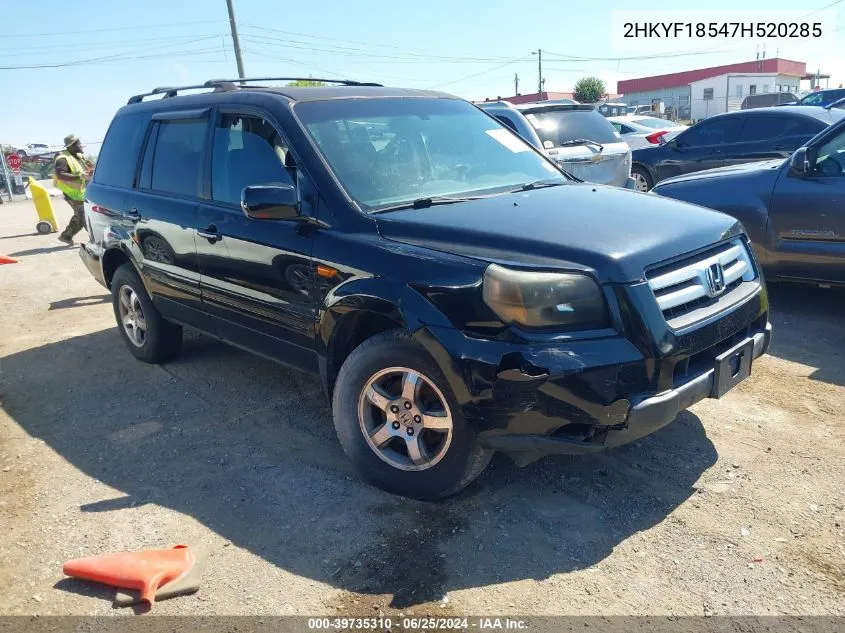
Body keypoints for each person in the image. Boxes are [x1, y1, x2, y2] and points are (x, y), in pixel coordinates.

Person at [54, 134, 93, 245]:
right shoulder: (63, 158)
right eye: (78, 143)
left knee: (80, 216)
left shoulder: (79, 156)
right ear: (71, 145)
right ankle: (96, 241)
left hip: (83, 193)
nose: (81, 145)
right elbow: (60, 175)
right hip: (73, 194)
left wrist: (91, 169)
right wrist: (80, 176)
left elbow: (89, 169)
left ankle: (66, 236)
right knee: (85, 217)